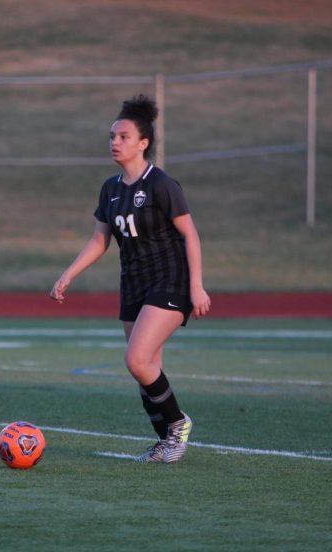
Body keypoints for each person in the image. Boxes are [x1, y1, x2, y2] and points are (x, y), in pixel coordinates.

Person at [50, 94, 211, 463]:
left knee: (136, 359)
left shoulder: (161, 185)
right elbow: (100, 239)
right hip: (133, 285)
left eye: (123, 136)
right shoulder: (110, 189)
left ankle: (178, 424)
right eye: (111, 136)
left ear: (143, 143)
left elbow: (191, 234)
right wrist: (67, 275)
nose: (114, 142)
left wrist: (197, 285)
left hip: (169, 281)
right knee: (146, 368)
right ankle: (167, 442)